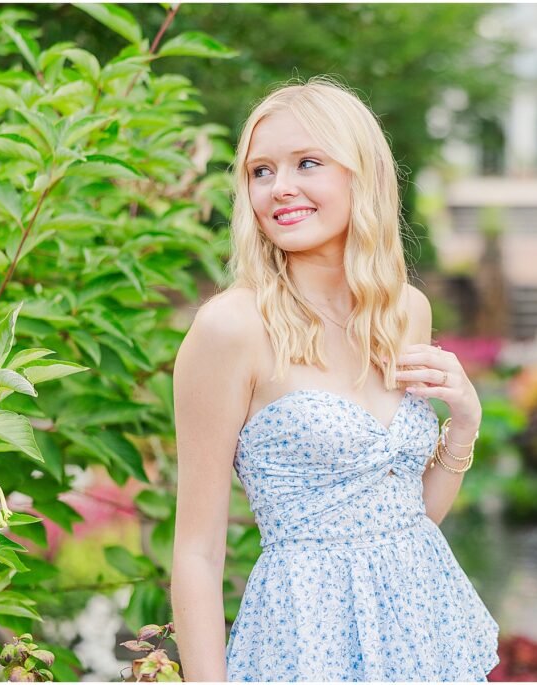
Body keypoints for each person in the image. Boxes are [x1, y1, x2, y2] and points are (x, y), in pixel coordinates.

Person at [169, 75, 500, 682]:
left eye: (307, 163)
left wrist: (465, 422)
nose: (280, 188)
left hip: (425, 637)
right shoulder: (231, 329)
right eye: (261, 171)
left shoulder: (405, 312)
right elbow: (197, 551)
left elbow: (410, 522)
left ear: (360, 175)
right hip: (304, 645)